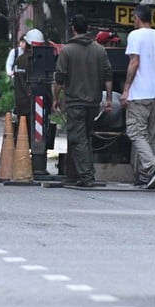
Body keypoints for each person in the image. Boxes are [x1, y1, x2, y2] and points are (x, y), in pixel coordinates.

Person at [52, 14, 113, 188]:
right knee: (86, 137)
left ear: (73, 29)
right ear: (88, 29)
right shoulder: (100, 50)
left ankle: (87, 177)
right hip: (94, 103)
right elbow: (108, 76)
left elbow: (60, 79)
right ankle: (88, 173)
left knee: (78, 140)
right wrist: (108, 98)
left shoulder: (67, 50)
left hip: (75, 103)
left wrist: (56, 99)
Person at [121, 5, 155, 190]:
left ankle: (151, 167)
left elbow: (134, 62)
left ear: (136, 17)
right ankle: (144, 176)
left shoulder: (135, 36)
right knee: (150, 136)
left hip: (139, 94)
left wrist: (126, 89)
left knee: (135, 133)